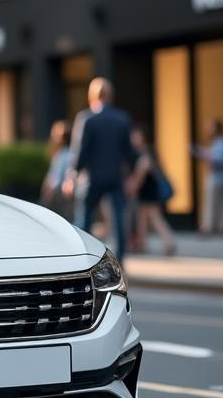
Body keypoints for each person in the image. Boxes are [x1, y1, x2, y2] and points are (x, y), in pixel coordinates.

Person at [64, 77, 136, 261]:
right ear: (110, 95)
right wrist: (131, 178)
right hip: (115, 176)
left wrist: (72, 175)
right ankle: (120, 258)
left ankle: (83, 257)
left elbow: (80, 151)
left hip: (92, 177)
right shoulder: (122, 119)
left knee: (84, 219)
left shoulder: (87, 118)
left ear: (92, 95)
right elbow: (129, 153)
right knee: (119, 219)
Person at [127, 127, 176, 256]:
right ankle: (142, 243)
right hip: (146, 192)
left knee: (154, 217)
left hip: (148, 192)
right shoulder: (144, 153)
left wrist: (133, 186)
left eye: (135, 136)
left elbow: (141, 172)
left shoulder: (145, 154)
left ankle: (169, 242)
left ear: (142, 138)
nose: (132, 139)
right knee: (142, 217)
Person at [192, 118, 223, 235]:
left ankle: (207, 227)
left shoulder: (222, 143)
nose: (208, 130)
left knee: (211, 202)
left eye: (211, 127)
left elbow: (220, 160)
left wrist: (205, 154)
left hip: (217, 176)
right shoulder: (218, 143)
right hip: (221, 176)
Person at [41, 120, 72, 218]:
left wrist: (49, 191)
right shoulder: (62, 153)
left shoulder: (64, 155)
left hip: (59, 195)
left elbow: (56, 178)